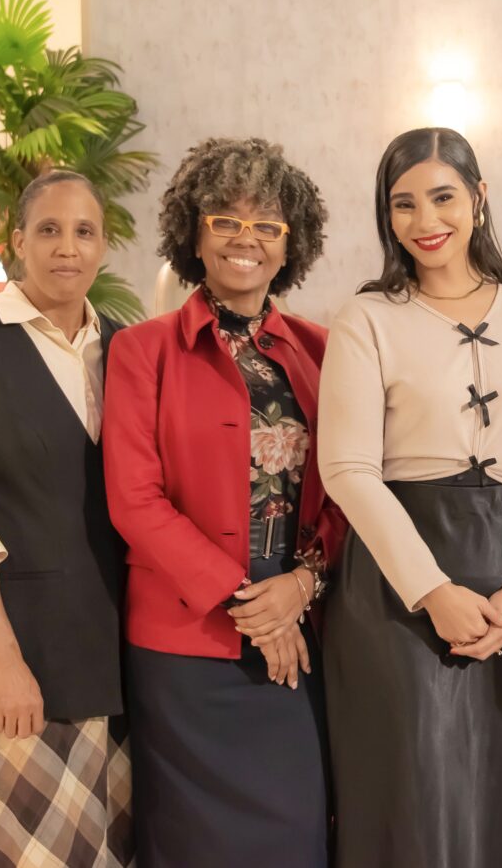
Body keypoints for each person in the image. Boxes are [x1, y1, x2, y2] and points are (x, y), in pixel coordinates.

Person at [102, 137, 345, 867]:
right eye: (225, 220)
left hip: (295, 635)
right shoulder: (141, 351)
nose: (247, 239)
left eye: (267, 224)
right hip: (185, 647)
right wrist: (249, 605)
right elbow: (135, 502)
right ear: (193, 232)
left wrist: (300, 586)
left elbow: (346, 486)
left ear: (289, 244)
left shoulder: (321, 349)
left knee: (298, 833)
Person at [317, 127, 502, 868]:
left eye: (443, 196)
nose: (426, 221)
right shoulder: (367, 318)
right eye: (403, 204)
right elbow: (348, 469)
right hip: (396, 587)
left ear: (479, 199)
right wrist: (433, 590)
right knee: (409, 805)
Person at [0, 170, 131, 867]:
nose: (67, 247)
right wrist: (5, 662)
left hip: (115, 661)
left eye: (84, 231)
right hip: (18, 661)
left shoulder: (126, 348)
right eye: (48, 229)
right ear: (17, 243)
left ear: (104, 245)